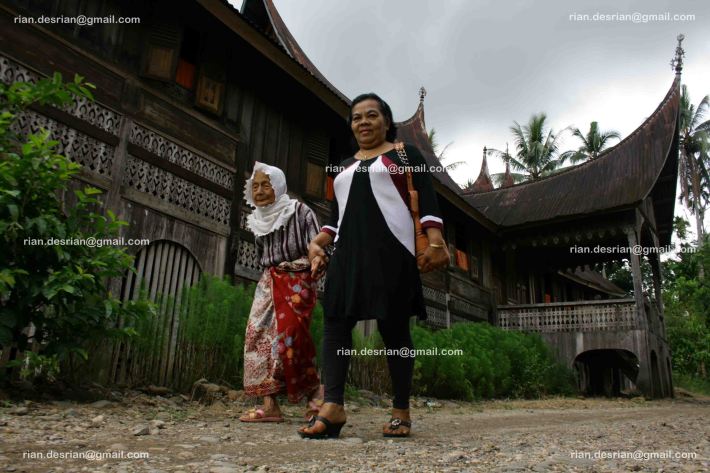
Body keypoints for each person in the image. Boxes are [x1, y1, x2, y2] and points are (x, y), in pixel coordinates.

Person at [298, 93, 449, 439]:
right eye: (356, 118)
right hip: (347, 253)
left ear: (386, 120)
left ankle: (401, 410)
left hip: (392, 251)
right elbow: (335, 220)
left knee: (394, 328)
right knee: (335, 320)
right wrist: (315, 245)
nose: (363, 122)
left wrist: (436, 241)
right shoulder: (344, 166)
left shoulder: (405, 155)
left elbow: (427, 200)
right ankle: (333, 406)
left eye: (371, 115)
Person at [239, 162, 323, 423]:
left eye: (266, 184)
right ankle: (270, 404)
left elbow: (318, 246)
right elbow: (262, 256)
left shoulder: (301, 212)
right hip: (269, 281)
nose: (260, 190)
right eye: (255, 186)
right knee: (258, 336)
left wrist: (317, 262)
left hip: (298, 277)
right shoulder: (256, 219)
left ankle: (316, 397)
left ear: (278, 186)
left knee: (292, 338)